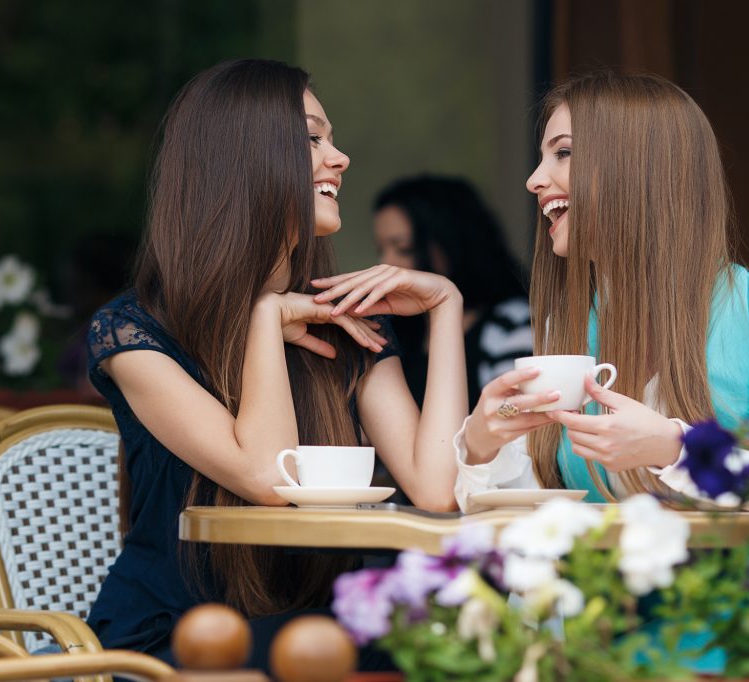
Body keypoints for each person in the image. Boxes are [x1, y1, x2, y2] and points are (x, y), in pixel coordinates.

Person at [86, 59, 467, 669]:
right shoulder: (136, 332)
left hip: (320, 633)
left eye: (331, 140)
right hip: (179, 642)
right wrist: (267, 317)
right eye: (312, 139)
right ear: (244, 161)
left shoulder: (346, 319)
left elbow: (437, 489)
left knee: (452, 645)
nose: (339, 158)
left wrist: (445, 305)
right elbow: (269, 477)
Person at [452, 70, 749, 513]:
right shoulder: (564, 324)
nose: (534, 180)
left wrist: (677, 450)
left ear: (639, 169)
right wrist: (482, 446)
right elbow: (543, 500)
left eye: (563, 153)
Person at [372, 176, 531, 410]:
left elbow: (515, 415)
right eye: (381, 250)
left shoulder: (511, 323)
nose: (386, 263)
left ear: (451, 242)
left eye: (405, 248)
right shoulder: (394, 333)